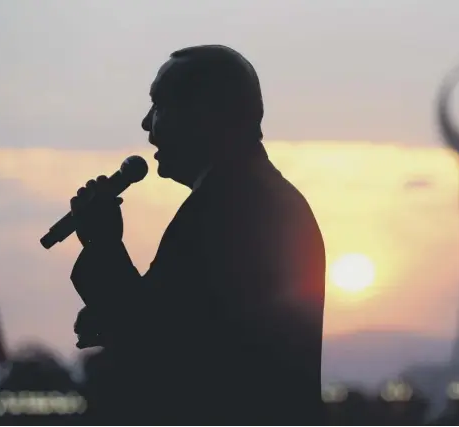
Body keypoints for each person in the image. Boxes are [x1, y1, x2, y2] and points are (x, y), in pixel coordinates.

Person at [69, 45, 326, 425]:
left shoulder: (231, 206)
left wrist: (103, 244)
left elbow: (155, 341)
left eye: (158, 106)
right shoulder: (249, 196)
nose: (145, 124)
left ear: (203, 114)